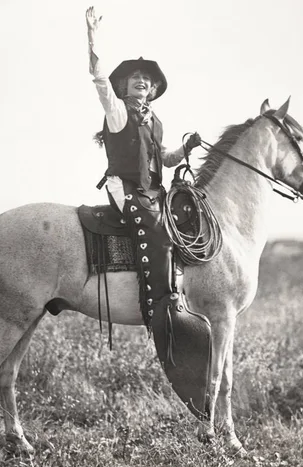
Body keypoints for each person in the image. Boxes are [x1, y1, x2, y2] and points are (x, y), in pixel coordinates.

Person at [86, 6, 206, 332]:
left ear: (153, 90)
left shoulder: (156, 122)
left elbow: (164, 159)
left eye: (147, 79)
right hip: (122, 186)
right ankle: (159, 306)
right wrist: (93, 36)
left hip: (152, 189)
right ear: (124, 87)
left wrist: (187, 148)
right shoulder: (118, 112)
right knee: (156, 228)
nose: (141, 80)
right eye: (134, 78)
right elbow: (98, 78)